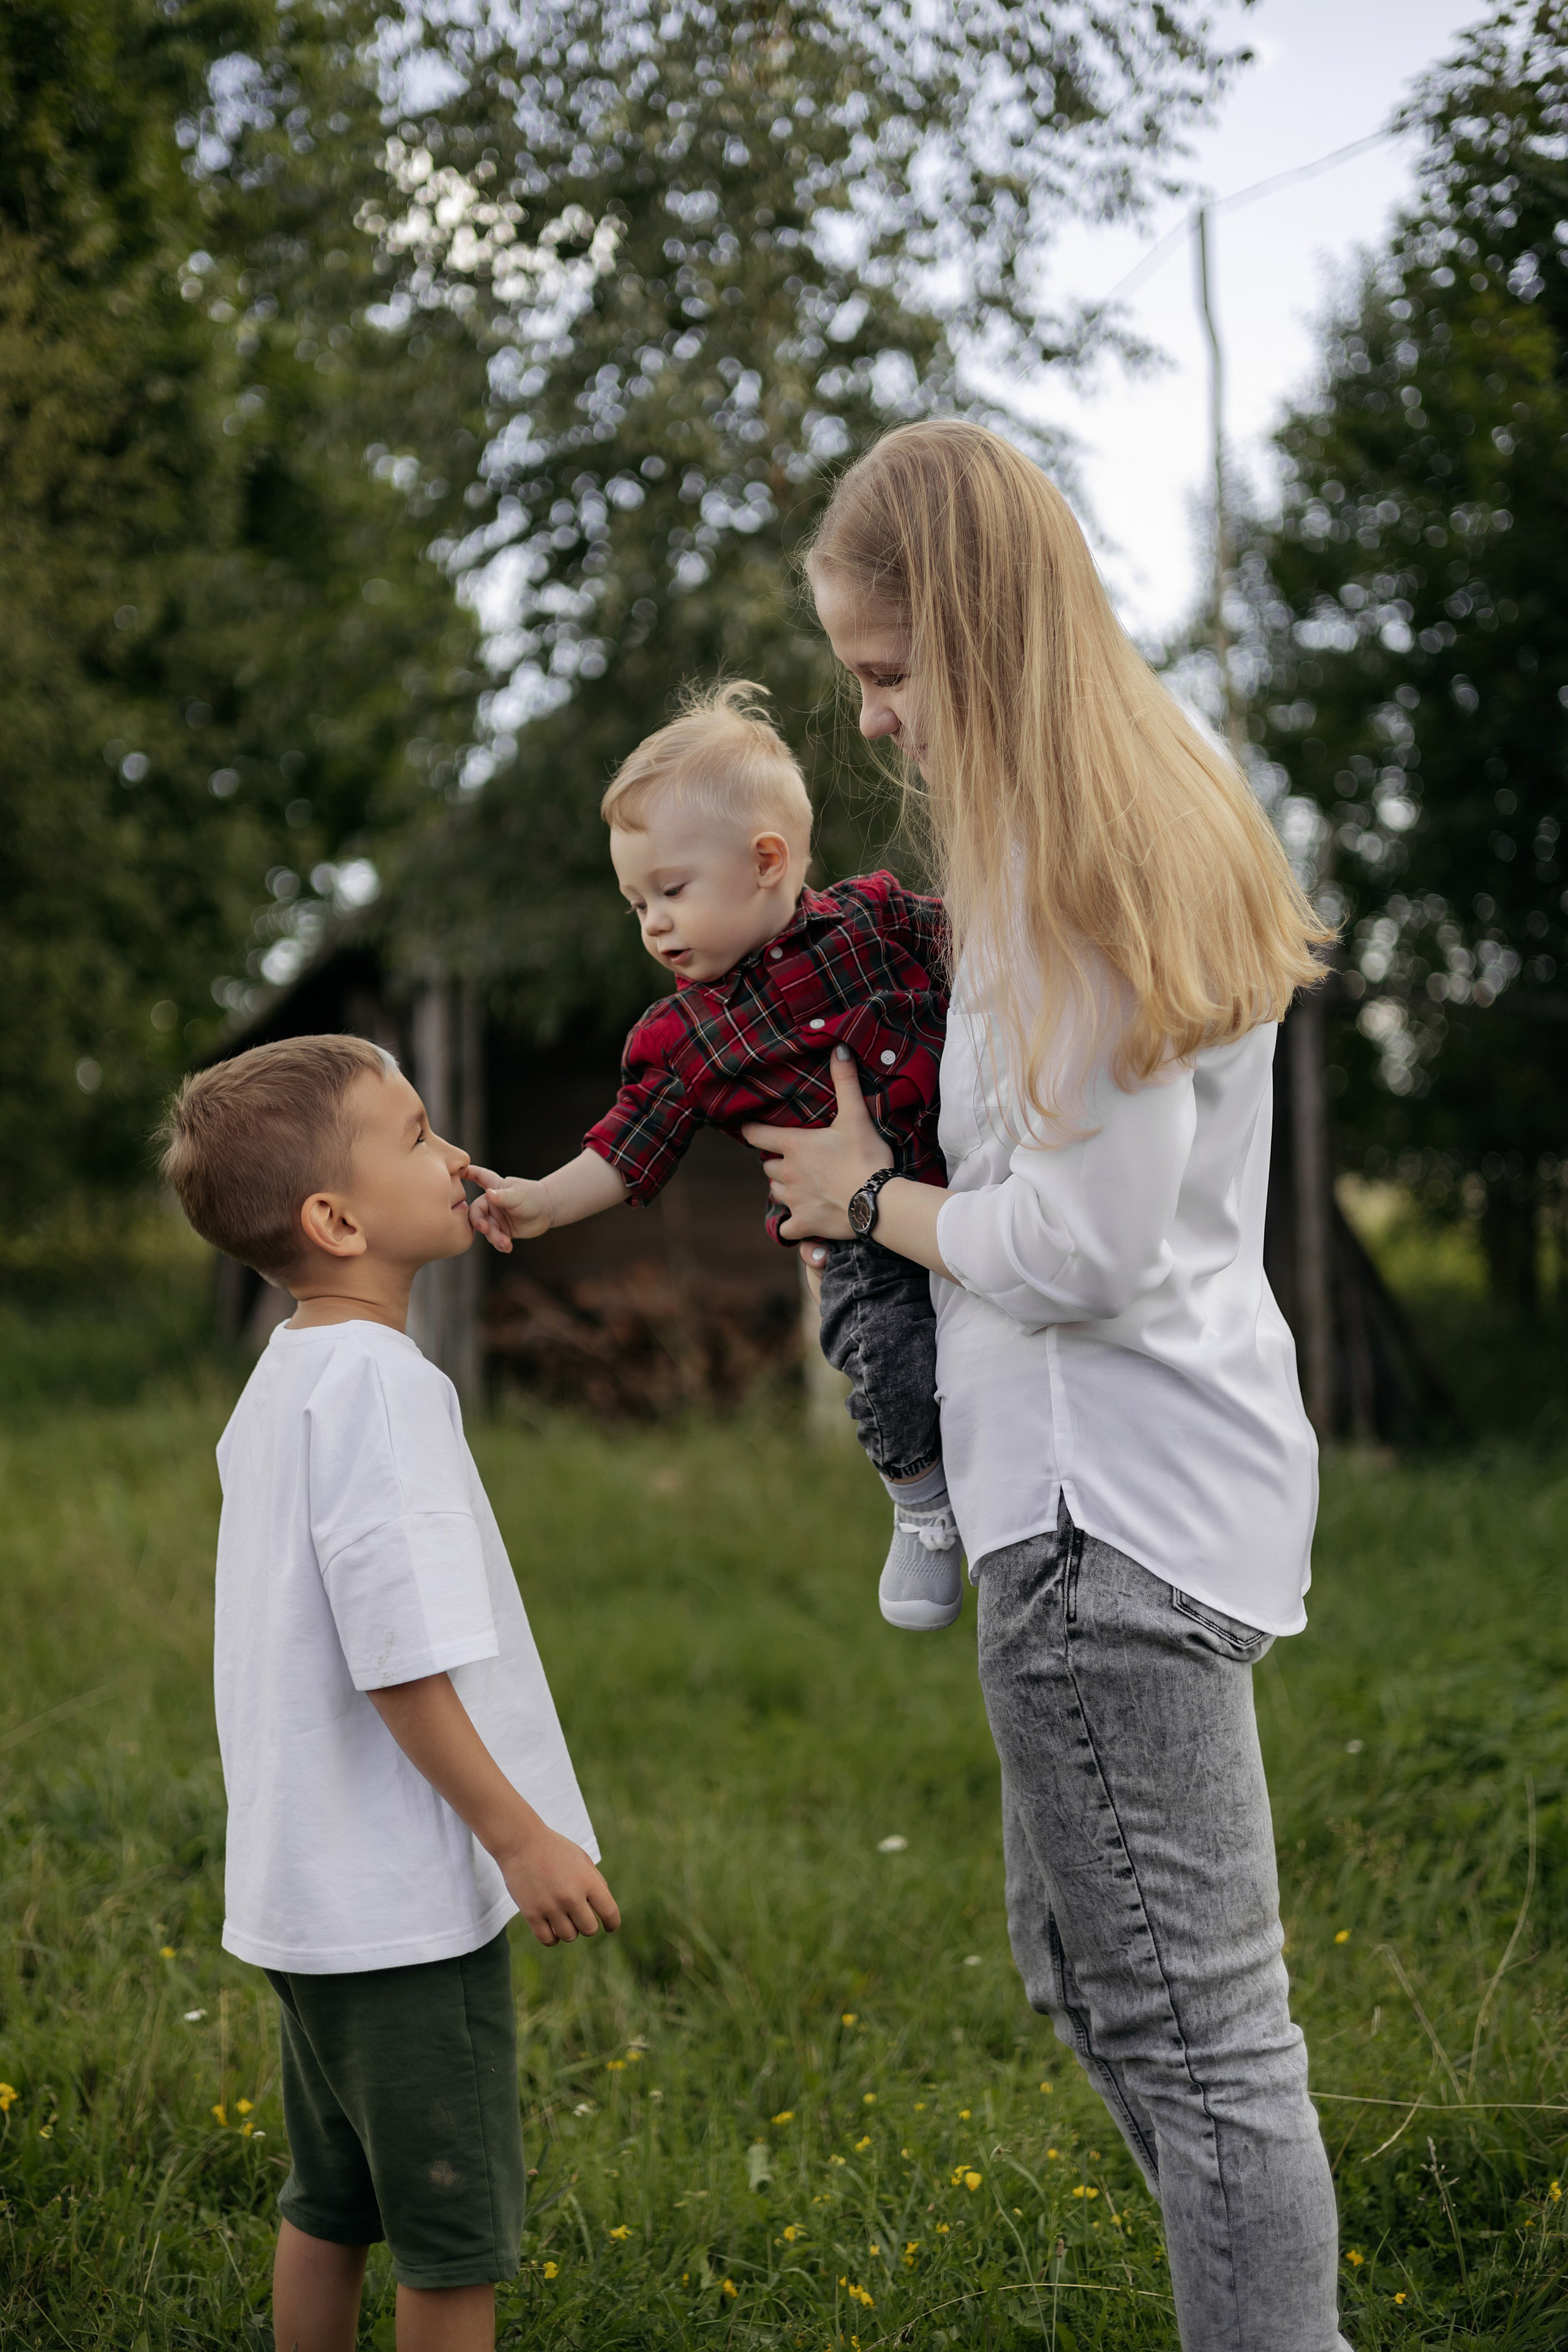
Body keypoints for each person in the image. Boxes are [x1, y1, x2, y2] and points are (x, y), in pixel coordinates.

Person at [744, 420, 1350, 2352]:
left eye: (890, 673)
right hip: (1111, 1500)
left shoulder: (1080, 862)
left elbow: (1083, 1254)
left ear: (984, 639)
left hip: (1108, 1515)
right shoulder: (1095, 822)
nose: (877, 724)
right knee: (1102, 1993)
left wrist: (876, 1198)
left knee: (1199, 2039)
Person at [159, 1035, 619, 2352]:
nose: (460, 1155)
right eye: (419, 1133)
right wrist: (518, 1835)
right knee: (448, 2238)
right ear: (336, 1219)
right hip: (405, 1908)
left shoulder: (291, 1377)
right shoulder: (382, 1389)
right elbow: (398, 1657)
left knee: (332, 2198)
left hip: (314, 1898)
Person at [467, 683, 963, 1630]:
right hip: (860, 1241)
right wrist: (540, 1203)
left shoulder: (877, 920)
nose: (651, 922)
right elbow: (626, 1145)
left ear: (766, 861)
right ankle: (924, 1507)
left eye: (670, 890)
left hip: (970, 1186)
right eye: (636, 903)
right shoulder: (687, 1036)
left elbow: (985, 945)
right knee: (884, 1353)